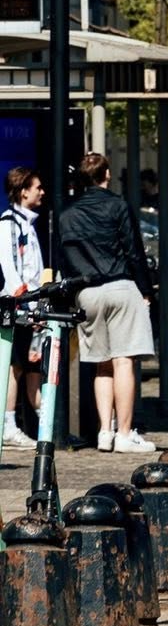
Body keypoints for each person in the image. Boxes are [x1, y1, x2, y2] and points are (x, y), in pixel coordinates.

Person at [57, 153, 157, 454]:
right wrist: (145, 289)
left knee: (101, 363)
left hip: (88, 293)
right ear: (107, 175)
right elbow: (133, 250)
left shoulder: (67, 215)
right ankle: (125, 434)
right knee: (124, 359)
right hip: (120, 286)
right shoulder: (118, 206)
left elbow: (65, 258)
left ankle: (104, 431)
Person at [0, 167, 44, 448]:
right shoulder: (8, 223)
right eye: (37, 187)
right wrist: (22, 297)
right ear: (23, 190)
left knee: (29, 366)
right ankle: (8, 425)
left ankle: (44, 424)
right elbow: (7, 263)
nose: (42, 192)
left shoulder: (27, 223)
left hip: (29, 306)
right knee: (13, 365)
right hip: (15, 306)